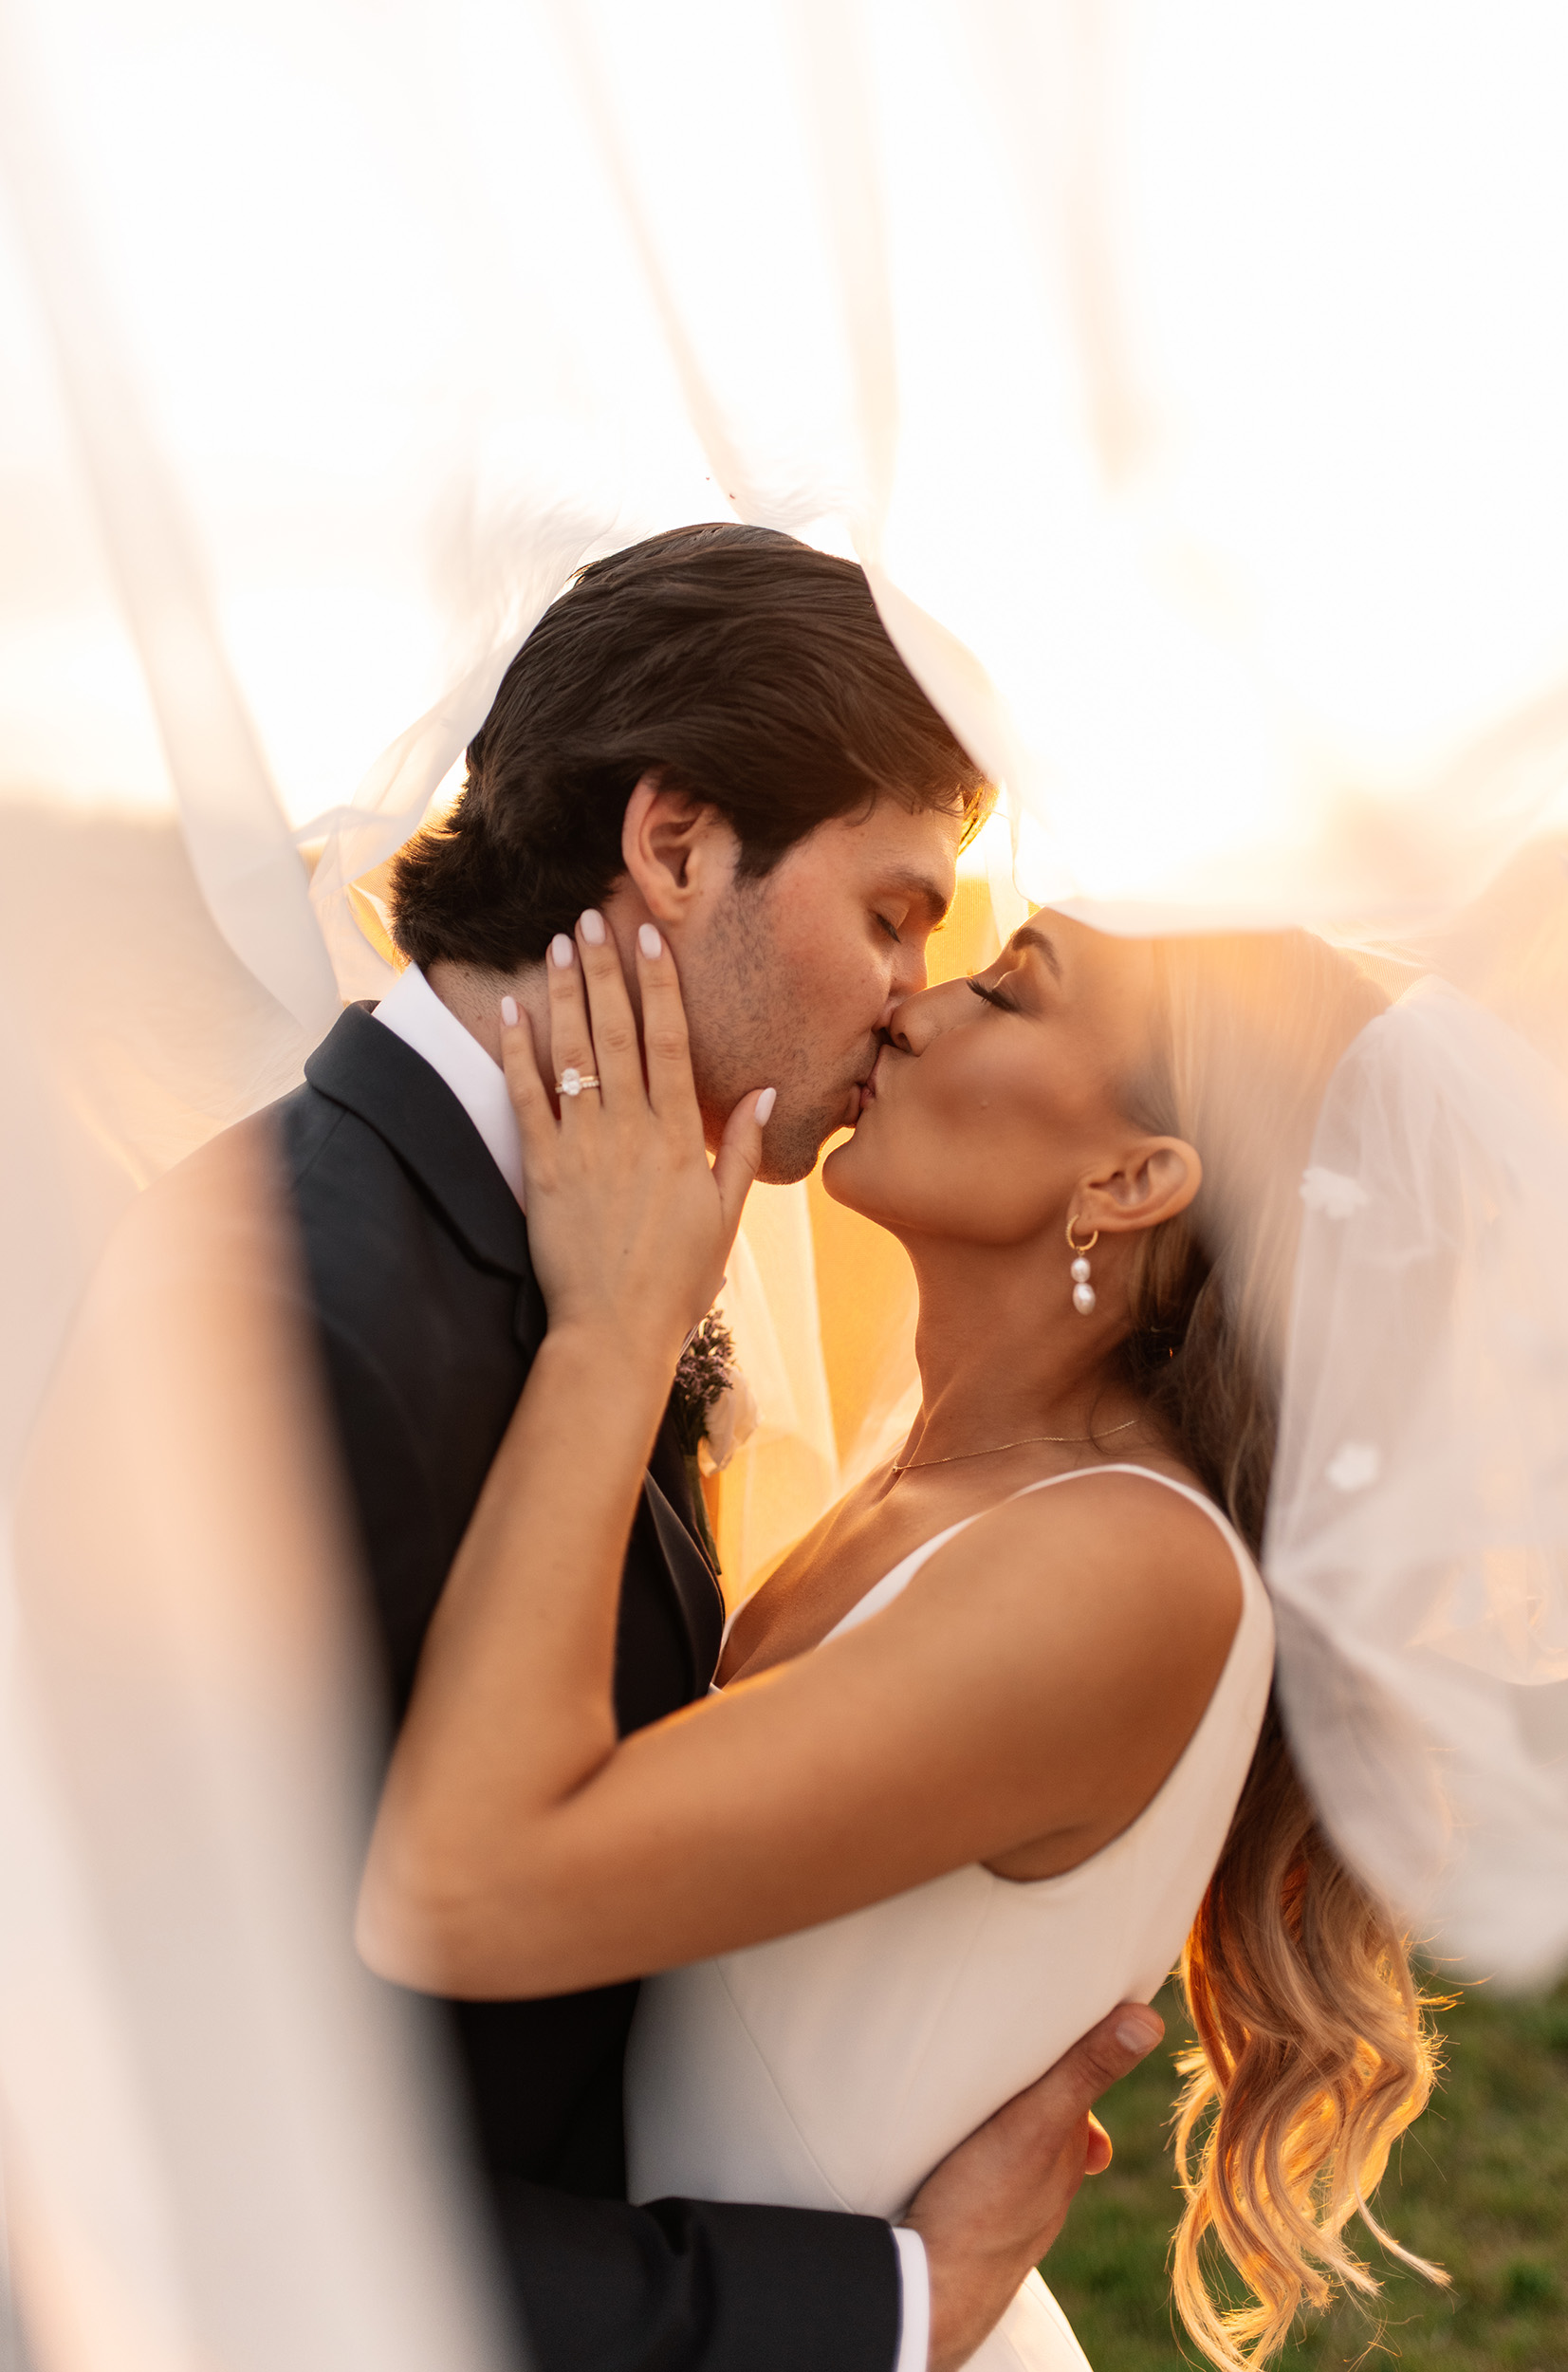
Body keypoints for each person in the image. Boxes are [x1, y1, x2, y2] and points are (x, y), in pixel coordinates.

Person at [268, 521, 1163, 2372]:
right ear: (678, 844)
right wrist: (895, 2303)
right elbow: (201, 2169)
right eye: (895, 909)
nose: (914, 992)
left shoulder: (596, 1227)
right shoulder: (305, 1320)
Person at [356, 906, 1447, 2371]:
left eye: (1008, 991)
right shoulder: (942, 1484)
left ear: (1131, 1180)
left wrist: (611, 1335)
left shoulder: (1123, 1570)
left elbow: (467, 1889)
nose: (916, 1010)